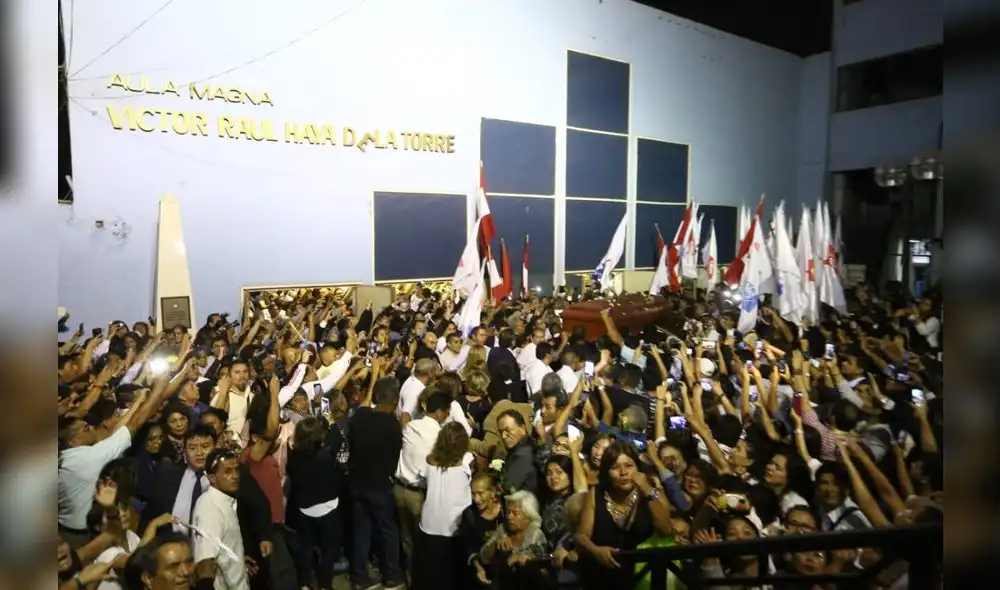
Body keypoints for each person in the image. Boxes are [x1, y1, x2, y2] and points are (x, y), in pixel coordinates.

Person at [348, 378, 405, 590]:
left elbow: (364, 406)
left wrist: (374, 376)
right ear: (395, 401)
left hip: (358, 484)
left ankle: (359, 577)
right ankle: (391, 574)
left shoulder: (360, 417)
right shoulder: (393, 426)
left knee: (361, 532)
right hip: (380, 487)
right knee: (388, 531)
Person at [413, 422, 474, 590]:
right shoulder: (468, 460)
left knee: (430, 574)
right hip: (454, 525)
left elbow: (422, 480)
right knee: (452, 576)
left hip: (430, 523)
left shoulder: (429, 460)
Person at [286, 416, 344, 590]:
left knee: (306, 549)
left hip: (305, 510)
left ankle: (305, 583)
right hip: (328, 509)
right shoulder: (326, 454)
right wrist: (331, 421)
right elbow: (337, 437)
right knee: (328, 551)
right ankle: (325, 585)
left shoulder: (294, 457)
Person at [192, 449, 250, 590]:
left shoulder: (224, 501)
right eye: (228, 471)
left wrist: (238, 560)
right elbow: (205, 558)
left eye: (237, 470)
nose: (235, 476)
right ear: (212, 478)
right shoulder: (210, 507)